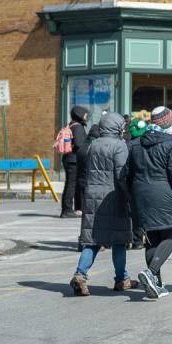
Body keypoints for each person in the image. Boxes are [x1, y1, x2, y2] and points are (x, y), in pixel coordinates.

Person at [70, 113, 137, 296]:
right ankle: (121, 279)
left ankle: (80, 274)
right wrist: (130, 197)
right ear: (116, 127)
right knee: (119, 240)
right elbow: (121, 175)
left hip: (92, 195)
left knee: (92, 240)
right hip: (113, 196)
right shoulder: (119, 146)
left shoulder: (93, 145)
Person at [127, 107, 172, 299]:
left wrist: (132, 197)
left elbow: (127, 174)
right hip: (163, 194)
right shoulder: (170, 144)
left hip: (140, 194)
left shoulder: (135, 144)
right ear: (169, 124)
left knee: (151, 238)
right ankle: (151, 272)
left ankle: (156, 285)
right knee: (171, 235)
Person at [61, 105, 90, 218]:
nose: (86, 117)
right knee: (71, 185)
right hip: (74, 160)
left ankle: (68, 208)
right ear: (79, 114)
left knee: (70, 184)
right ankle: (67, 210)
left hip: (68, 158)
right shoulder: (78, 127)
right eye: (85, 114)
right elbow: (79, 144)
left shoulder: (70, 124)